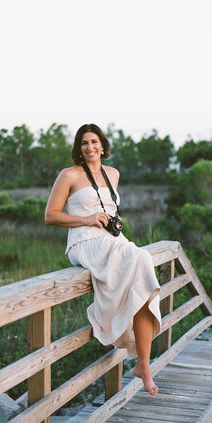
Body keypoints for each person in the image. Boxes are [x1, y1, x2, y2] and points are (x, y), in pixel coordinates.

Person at [45, 123, 161, 395]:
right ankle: (106, 321)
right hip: (84, 241)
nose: (90, 147)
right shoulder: (69, 175)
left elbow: (110, 210)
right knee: (140, 259)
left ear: (103, 145)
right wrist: (86, 219)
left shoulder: (113, 174)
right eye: (84, 143)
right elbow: (50, 215)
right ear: (78, 147)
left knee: (142, 282)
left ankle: (143, 365)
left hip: (111, 241)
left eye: (94, 141)